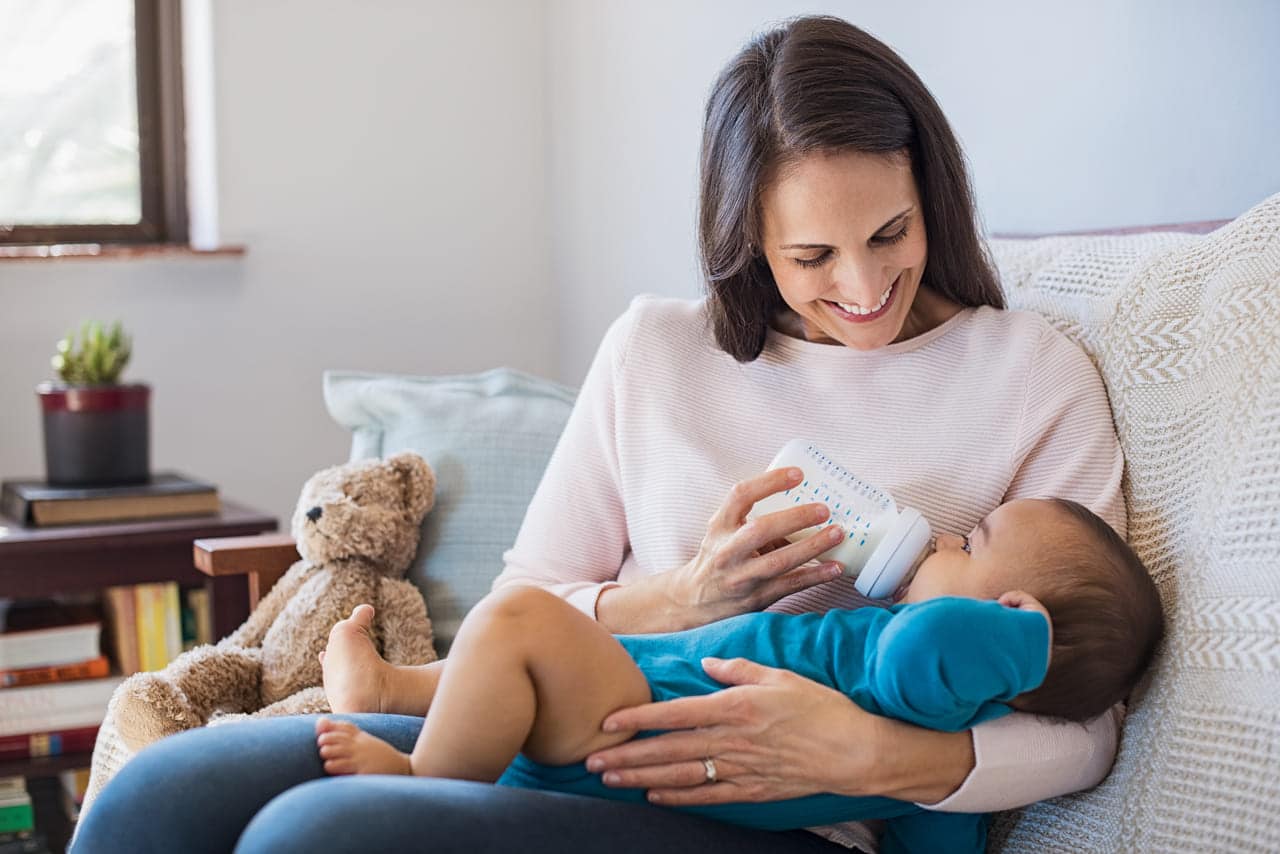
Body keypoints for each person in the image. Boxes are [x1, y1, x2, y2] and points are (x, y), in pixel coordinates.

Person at [72, 16, 1133, 854]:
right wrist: (682, 598)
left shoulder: (1027, 373)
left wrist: (871, 751)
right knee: (168, 788)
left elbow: (1085, 716)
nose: (861, 289)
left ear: (928, 195)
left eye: (889, 234)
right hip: (574, 729)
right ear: (747, 244)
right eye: (811, 257)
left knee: (314, 833)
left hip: (796, 813)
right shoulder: (655, 351)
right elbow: (519, 602)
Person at [312, 497, 1163, 854]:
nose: (942, 538)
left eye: (969, 545)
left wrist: (1021, 644)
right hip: (637, 689)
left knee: (521, 623)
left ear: (1009, 621)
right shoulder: (923, 735)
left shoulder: (919, 674)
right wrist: (683, 589)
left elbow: (941, 648)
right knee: (531, 646)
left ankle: (424, 777)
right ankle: (397, 691)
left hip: (636, 731)